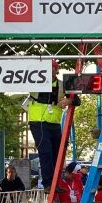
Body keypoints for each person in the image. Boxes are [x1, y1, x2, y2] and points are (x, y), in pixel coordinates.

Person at [28, 62, 78, 191]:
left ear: (56, 70)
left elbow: (78, 100)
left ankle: (55, 182)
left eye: (51, 69)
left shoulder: (63, 84)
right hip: (38, 121)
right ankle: (48, 184)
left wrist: (69, 100)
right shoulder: (34, 80)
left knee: (58, 152)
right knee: (46, 151)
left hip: (54, 123)